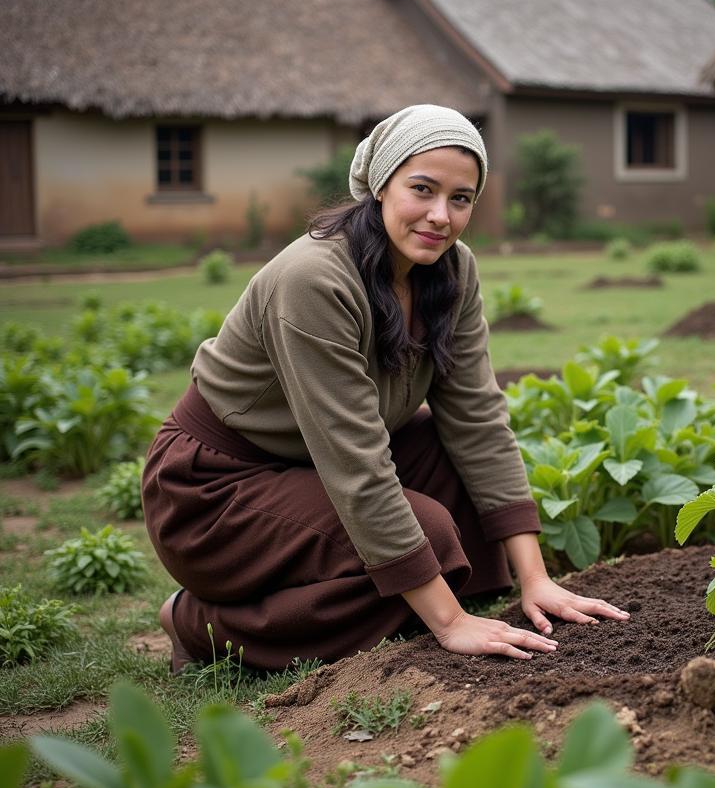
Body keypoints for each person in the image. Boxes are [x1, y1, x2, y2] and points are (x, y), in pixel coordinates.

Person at [143, 104, 629, 673]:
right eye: (421, 189)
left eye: (461, 198)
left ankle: (428, 593)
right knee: (425, 535)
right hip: (215, 494)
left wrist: (536, 579)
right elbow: (355, 463)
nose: (440, 216)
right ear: (379, 185)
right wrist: (449, 624)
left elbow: (476, 418)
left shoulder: (452, 270)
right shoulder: (313, 280)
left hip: (310, 467)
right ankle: (199, 624)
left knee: (459, 503)